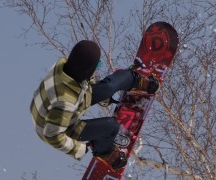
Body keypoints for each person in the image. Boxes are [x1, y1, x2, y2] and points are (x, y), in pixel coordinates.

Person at [30, 40, 159, 169]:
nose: (96, 69)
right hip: (54, 126)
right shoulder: (64, 101)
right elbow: (52, 135)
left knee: (108, 88)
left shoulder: (67, 64)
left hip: (67, 99)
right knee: (111, 127)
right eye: (96, 66)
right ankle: (104, 152)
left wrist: (102, 95)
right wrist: (78, 149)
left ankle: (134, 79)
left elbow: (86, 77)